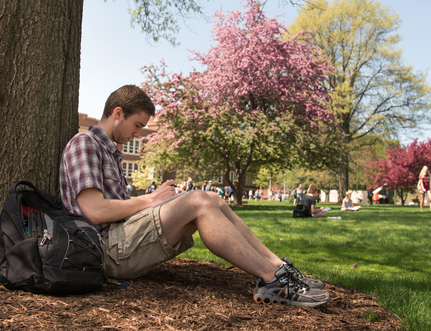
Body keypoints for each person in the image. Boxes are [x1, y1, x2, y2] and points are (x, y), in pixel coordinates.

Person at [59, 85, 329, 307]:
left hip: (123, 239)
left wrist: (164, 202)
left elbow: (120, 210)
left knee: (214, 199)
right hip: (106, 251)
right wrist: (151, 201)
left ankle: (278, 266)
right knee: (198, 201)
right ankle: (272, 281)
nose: (137, 134)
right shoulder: (84, 144)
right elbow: (94, 211)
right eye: (137, 125)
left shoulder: (110, 152)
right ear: (118, 113)